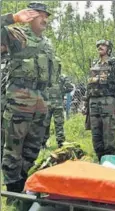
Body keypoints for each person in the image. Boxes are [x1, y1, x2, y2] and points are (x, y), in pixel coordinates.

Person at [1, 2, 56, 194]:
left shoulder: (47, 43)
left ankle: (24, 182)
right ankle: (12, 189)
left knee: (33, 147)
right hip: (20, 99)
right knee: (14, 147)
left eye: (46, 16)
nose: (45, 19)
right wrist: (13, 18)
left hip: (41, 100)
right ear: (30, 16)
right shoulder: (17, 35)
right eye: (41, 15)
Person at [83, 39, 115, 162]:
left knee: (108, 134)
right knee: (96, 133)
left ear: (109, 49)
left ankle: (110, 161)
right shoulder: (94, 65)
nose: (100, 47)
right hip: (93, 103)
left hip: (108, 103)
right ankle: (99, 159)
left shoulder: (114, 64)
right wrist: (86, 105)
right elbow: (89, 86)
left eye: (103, 45)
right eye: (98, 45)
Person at [43, 57, 74, 148]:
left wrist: (61, 91)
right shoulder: (48, 77)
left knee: (56, 124)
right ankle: (46, 143)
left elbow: (69, 87)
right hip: (50, 104)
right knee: (47, 124)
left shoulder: (61, 77)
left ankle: (59, 143)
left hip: (54, 104)